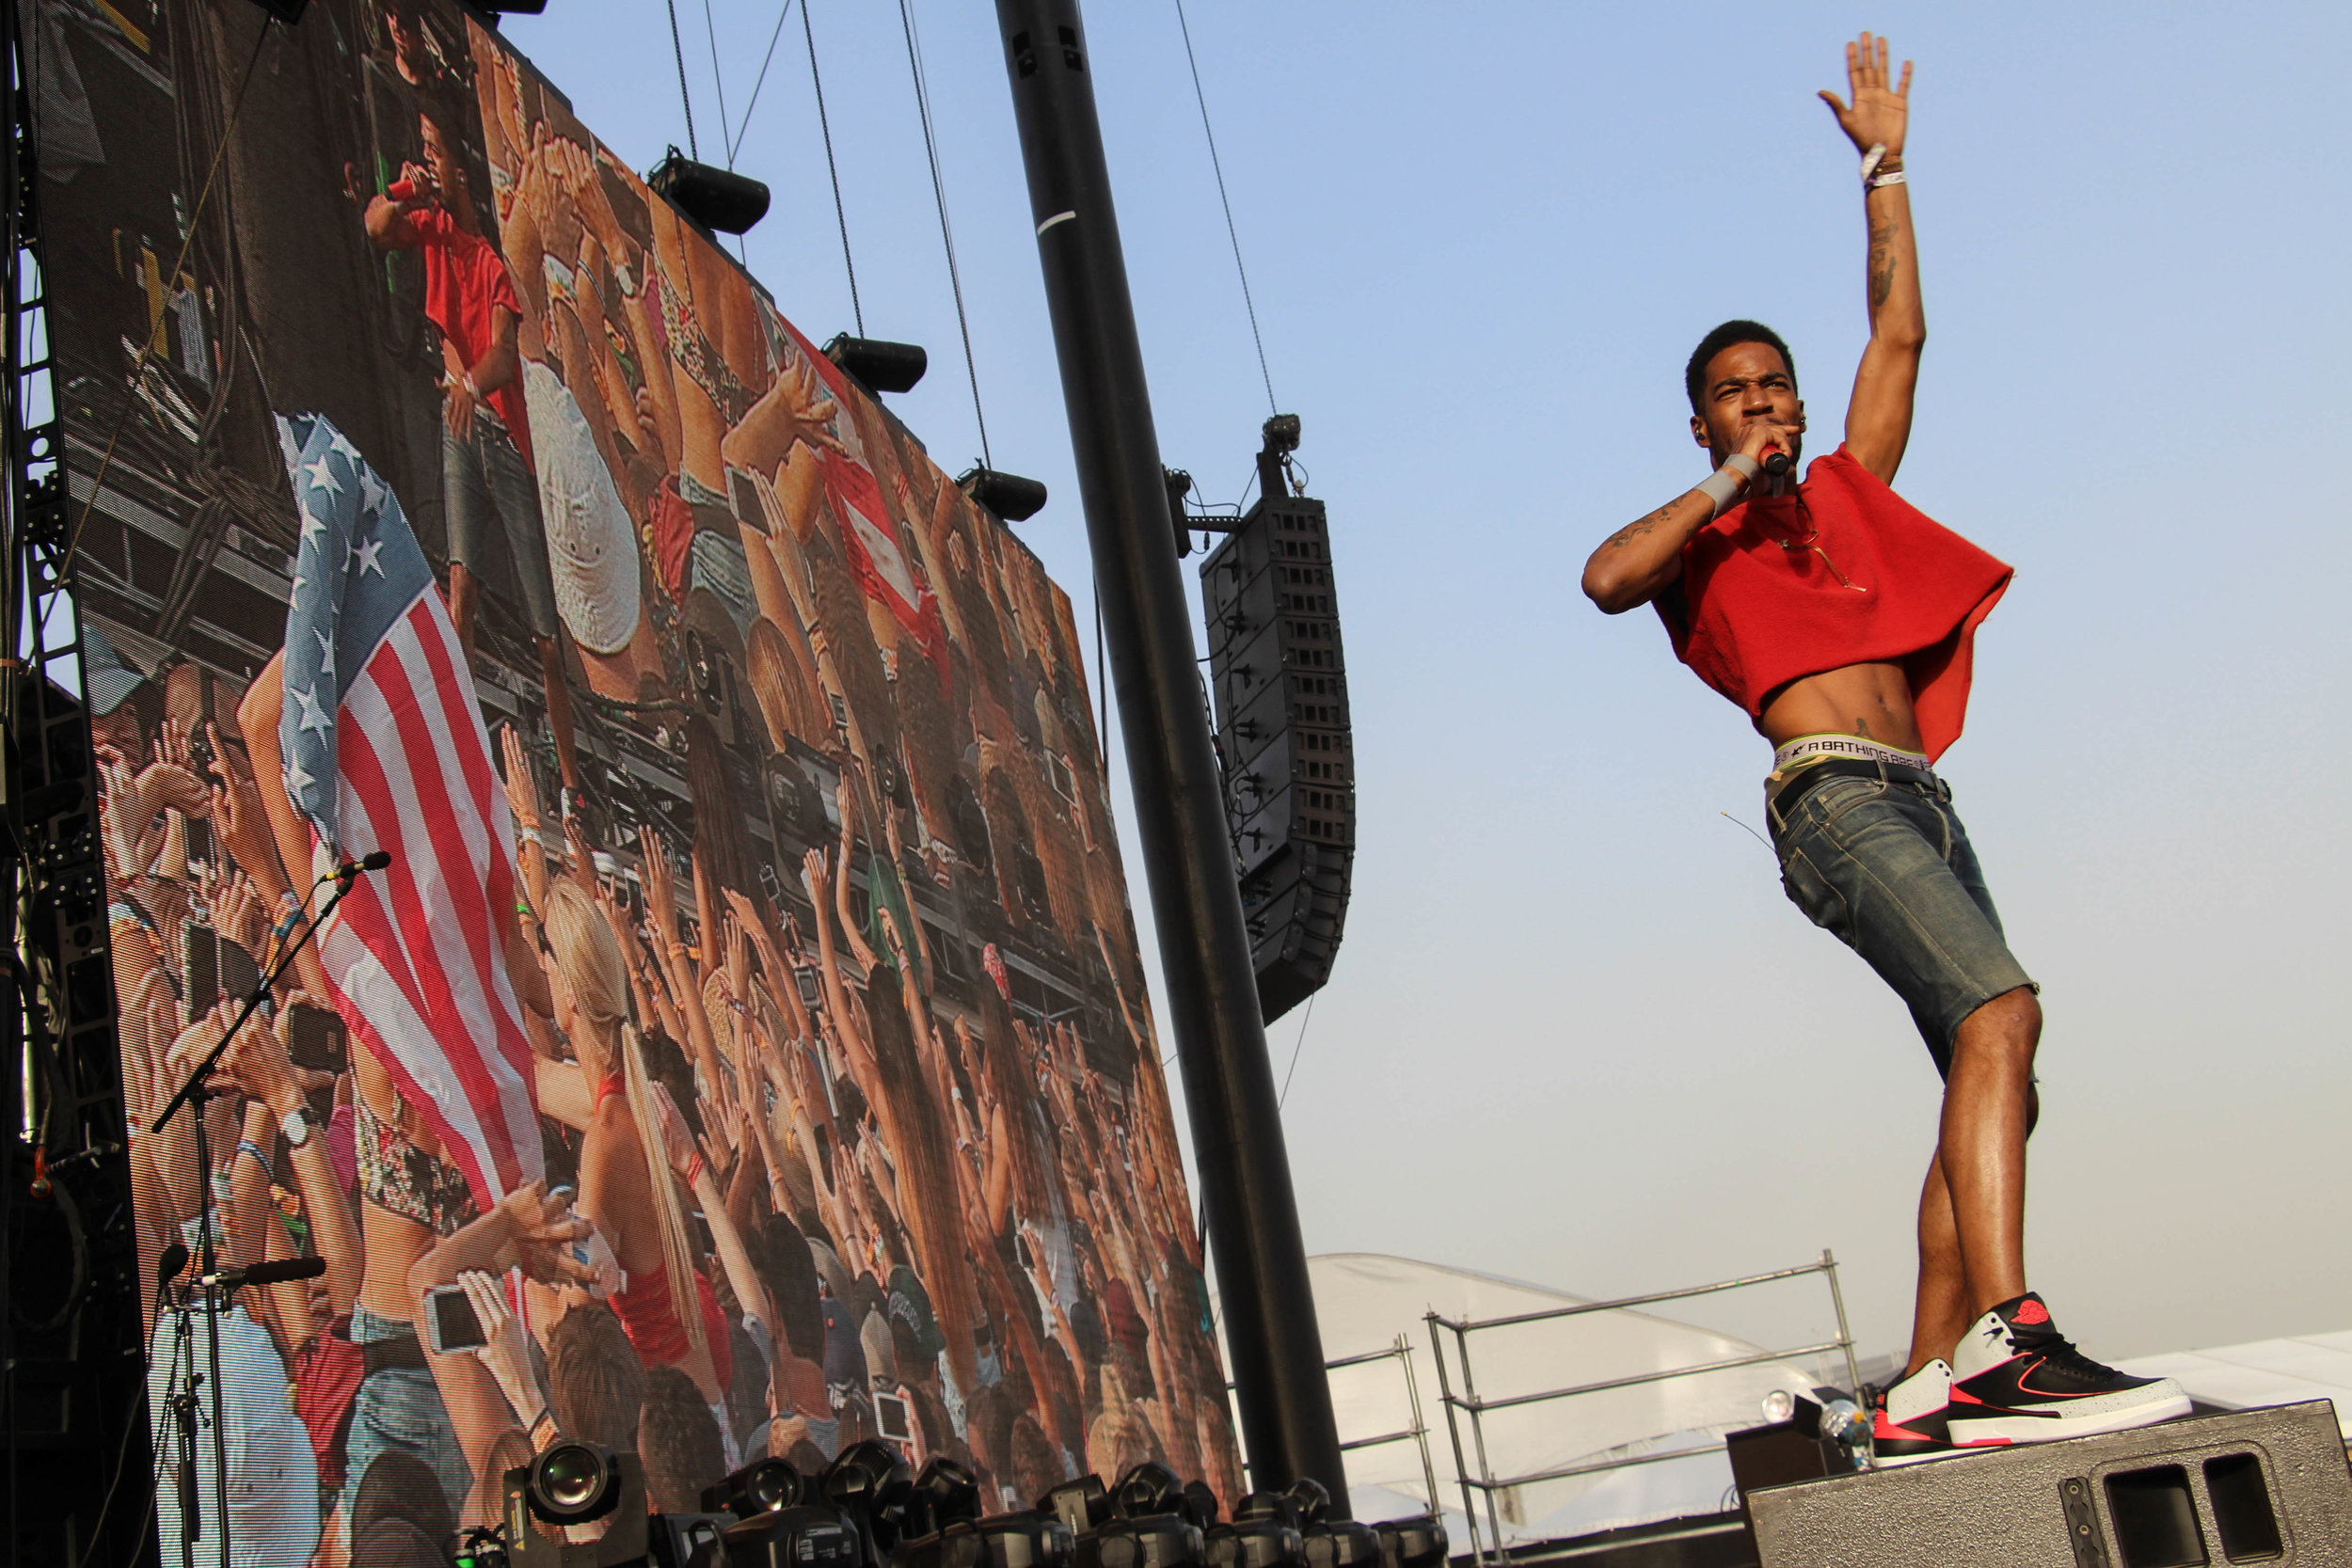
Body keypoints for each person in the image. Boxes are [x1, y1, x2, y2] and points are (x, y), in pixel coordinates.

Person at [1578, 34, 2187, 1464]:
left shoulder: (1846, 489)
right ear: (1703, 418)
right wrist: (1731, 478)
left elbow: (1900, 333)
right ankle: (2010, 1339)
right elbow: (1602, 577)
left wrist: (1885, 167)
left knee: (2000, 1068)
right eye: (1739, 390)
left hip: (1923, 798)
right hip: (1832, 800)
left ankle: (1928, 1373)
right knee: (2003, 1014)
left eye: (1776, 383)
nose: (1769, 400)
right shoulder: (1706, 533)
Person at [364, 102, 583, 808]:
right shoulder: (428, 231)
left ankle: (573, 782)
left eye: (435, 150)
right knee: (460, 588)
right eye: (419, 149)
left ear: (459, 165)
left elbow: (499, 356)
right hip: (460, 429)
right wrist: (402, 189)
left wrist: (468, 384)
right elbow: (375, 225)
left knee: (546, 635)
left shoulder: (488, 261)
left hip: (502, 443)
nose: (427, 160)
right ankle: (452, 743)